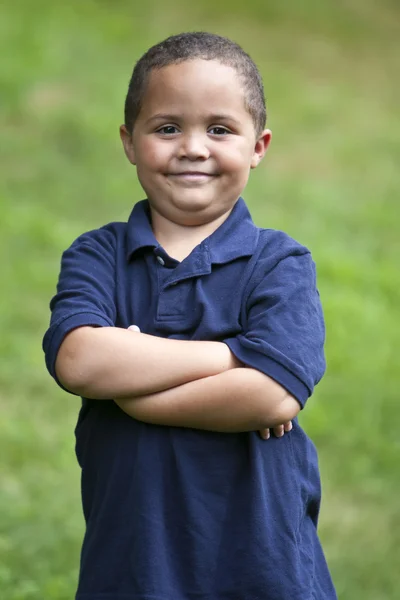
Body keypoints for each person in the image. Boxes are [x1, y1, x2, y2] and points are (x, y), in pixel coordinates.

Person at [43, 31, 337, 600]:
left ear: (259, 145)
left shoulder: (279, 263)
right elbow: (79, 360)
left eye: (220, 129)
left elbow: (274, 395)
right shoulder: (97, 254)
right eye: (168, 127)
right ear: (130, 142)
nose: (194, 147)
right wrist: (230, 355)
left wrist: (133, 393)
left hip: (263, 568)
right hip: (133, 565)